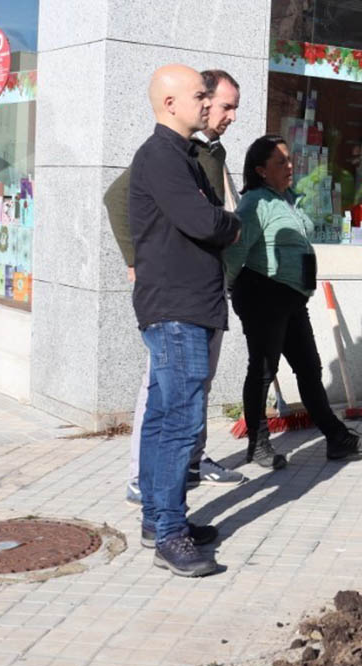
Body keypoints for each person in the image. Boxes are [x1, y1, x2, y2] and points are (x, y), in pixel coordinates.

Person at [104, 70, 246, 510]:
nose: (223, 113)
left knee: (185, 401)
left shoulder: (200, 153)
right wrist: (135, 260)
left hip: (201, 293)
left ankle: (175, 486)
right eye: (216, 102)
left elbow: (206, 215)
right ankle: (161, 512)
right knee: (170, 407)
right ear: (174, 103)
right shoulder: (163, 155)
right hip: (175, 301)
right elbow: (198, 219)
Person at [224, 134, 362, 469]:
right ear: (261, 170)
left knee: (309, 369)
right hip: (264, 295)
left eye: (289, 159)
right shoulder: (255, 203)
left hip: (293, 299)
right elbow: (235, 252)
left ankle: (337, 440)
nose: (290, 165)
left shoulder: (288, 200)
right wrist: (227, 290)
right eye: (281, 161)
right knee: (263, 371)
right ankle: (259, 443)